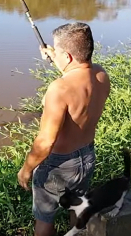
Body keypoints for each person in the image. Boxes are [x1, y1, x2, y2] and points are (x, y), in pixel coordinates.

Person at [17, 22, 110, 236]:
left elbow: (45, 142)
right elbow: (77, 74)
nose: (53, 54)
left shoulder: (59, 89)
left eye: (57, 51)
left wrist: (26, 170)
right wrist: (57, 56)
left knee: (44, 217)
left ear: (68, 56)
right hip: (86, 157)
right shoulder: (101, 76)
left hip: (58, 165)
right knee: (75, 206)